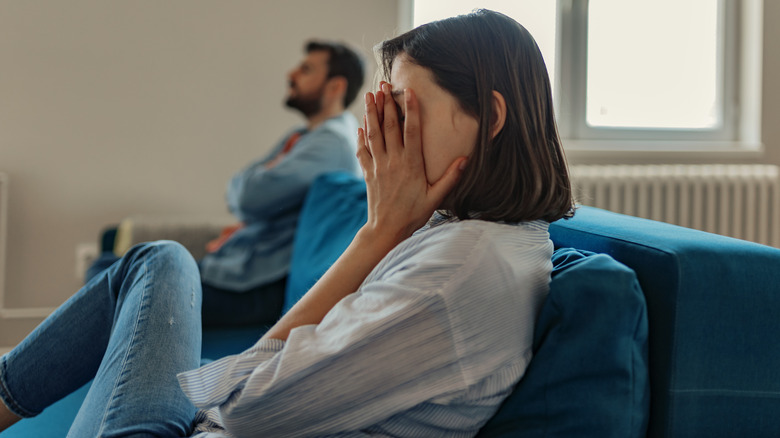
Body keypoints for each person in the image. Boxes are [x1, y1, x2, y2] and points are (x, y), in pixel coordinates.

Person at [0, 9, 574, 437]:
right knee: (158, 261)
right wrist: (386, 233)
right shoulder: (479, 240)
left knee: (158, 263)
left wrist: (376, 235)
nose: (379, 134)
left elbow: (240, 406)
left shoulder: (460, 272)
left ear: (490, 116)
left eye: (401, 107)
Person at [87, 39, 366, 327]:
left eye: (306, 69)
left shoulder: (332, 144)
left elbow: (247, 196)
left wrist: (254, 185)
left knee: (107, 273)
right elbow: (239, 190)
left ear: (335, 87)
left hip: (254, 286)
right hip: (238, 272)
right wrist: (252, 187)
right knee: (109, 266)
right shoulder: (303, 136)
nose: (291, 75)